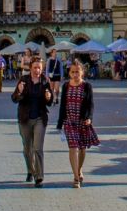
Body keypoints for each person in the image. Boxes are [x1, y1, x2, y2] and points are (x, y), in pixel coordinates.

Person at [12, 57, 54, 187]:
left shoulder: (45, 81)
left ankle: (39, 176)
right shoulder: (24, 80)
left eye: (39, 68)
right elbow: (14, 99)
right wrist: (19, 91)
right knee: (27, 149)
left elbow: (50, 101)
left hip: (39, 118)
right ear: (30, 68)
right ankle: (30, 170)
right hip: (25, 118)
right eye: (35, 67)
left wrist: (49, 97)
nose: (37, 70)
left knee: (37, 148)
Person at [57, 60, 99, 188]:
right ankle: (76, 177)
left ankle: (79, 169)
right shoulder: (65, 86)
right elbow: (62, 104)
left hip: (82, 121)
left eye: (77, 72)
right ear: (69, 73)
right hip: (69, 121)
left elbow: (91, 104)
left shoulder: (87, 86)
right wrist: (60, 122)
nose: (75, 74)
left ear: (82, 72)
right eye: (73, 72)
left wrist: (89, 118)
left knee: (81, 149)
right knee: (73, 148)